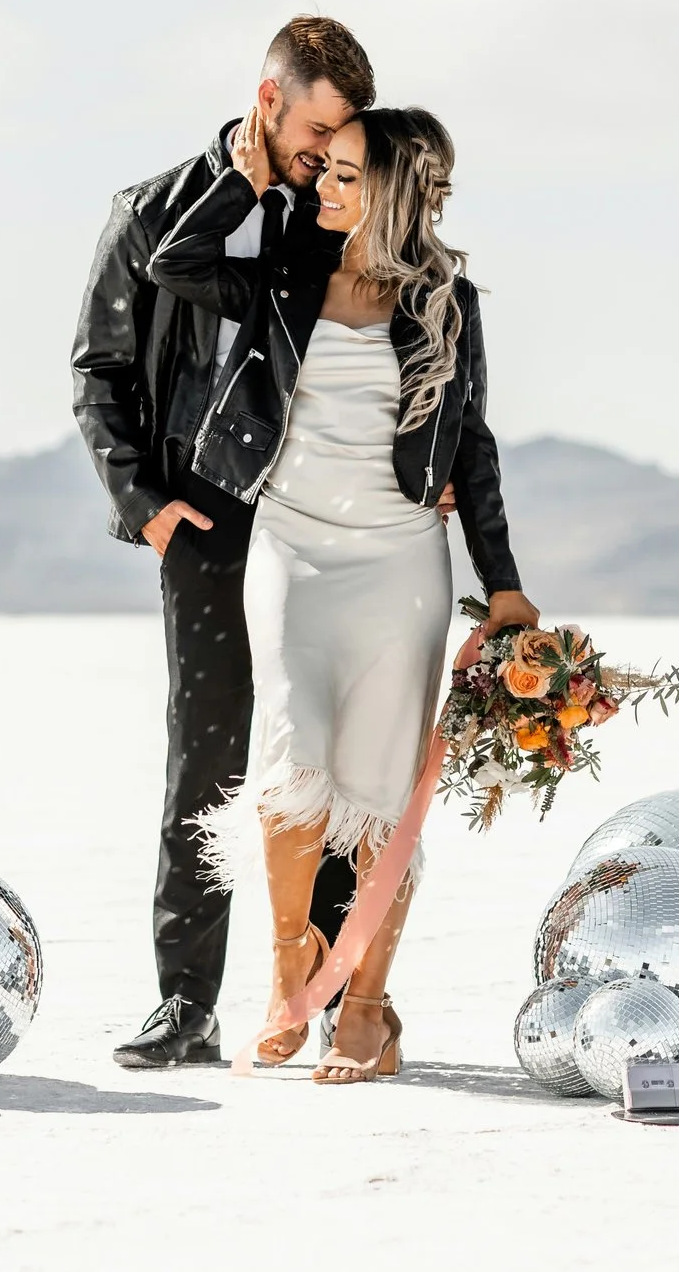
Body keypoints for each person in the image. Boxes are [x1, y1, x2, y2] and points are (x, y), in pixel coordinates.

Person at [145, 104, 539, 1082]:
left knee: (375, 792)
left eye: (347, 174)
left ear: (396, 190)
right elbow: (174, 263)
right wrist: (239, 180)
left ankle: (364, 1007)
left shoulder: (450, 302)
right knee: (290, 773)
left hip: (400, 561)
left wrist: (504, 587)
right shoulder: (284, 272)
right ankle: (291, 986)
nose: (322, 183)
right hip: (290, 550)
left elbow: (473, 446)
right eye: (324, 169)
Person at [72, 17, 381, 1069]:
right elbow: (98, 368)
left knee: (330, 758)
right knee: (203, 757)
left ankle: (337, 994)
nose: (325, 147)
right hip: (204, 521)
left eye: (343, 132)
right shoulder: (149, 211)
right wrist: (142, 500)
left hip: (318, 522)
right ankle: (184, 1005)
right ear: (268, 97)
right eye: (316, 125)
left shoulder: (335, 215)